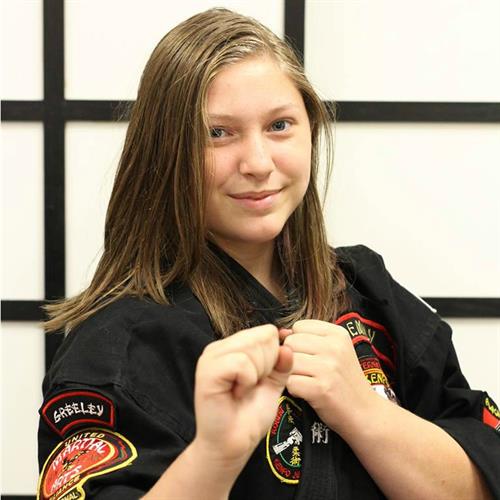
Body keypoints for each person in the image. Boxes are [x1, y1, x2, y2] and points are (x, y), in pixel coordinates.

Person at [37, 8, 499, 500]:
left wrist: (364, 412)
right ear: (164, 152)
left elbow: (482, 473)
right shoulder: (117, 347)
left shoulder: (367, 290)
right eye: (217, 133)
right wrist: (215, 455)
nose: (258, 163)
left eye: (279, 125)